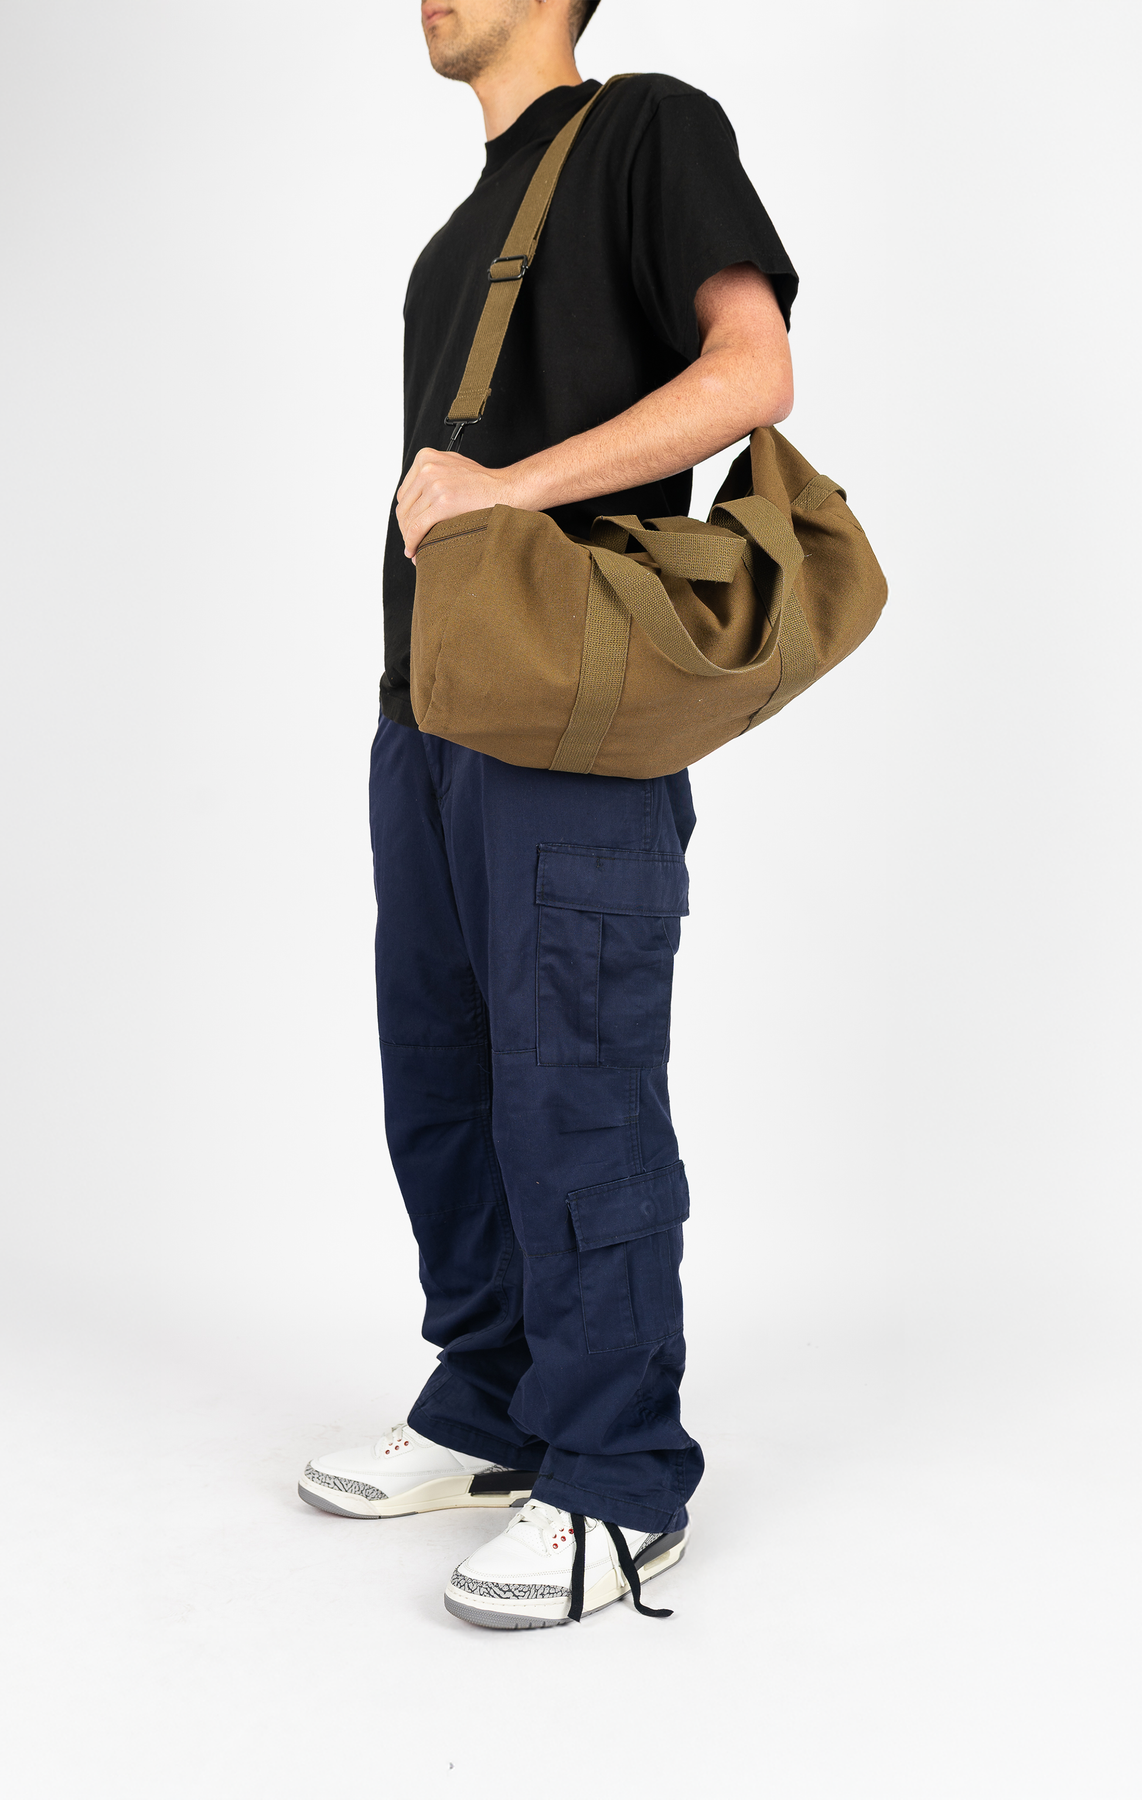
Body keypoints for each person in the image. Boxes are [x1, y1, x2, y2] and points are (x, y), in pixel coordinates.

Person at [299, 0, 797, 1629]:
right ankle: (493, 1402)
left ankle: (619, 1476)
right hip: (428, 719)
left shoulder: (648, 127)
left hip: (568, 724)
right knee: (442, 1087)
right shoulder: (458, 238)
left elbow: (754, 371)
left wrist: (504, 488)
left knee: (575, 1091)